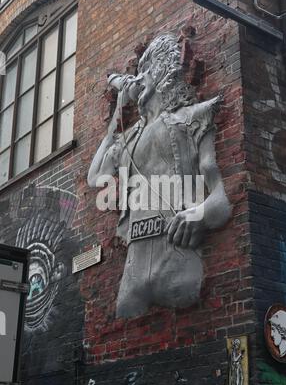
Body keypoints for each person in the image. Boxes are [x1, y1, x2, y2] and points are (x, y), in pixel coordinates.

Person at [88, 34, 232, 319]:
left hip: (178, 266)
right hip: (132, 276)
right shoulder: (128, 138)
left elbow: (221, 200)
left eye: (145, 69)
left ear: (160, 69)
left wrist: (200, 213)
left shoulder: (192, 117)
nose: (138, 78)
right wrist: (118, 109)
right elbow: (96, 177)